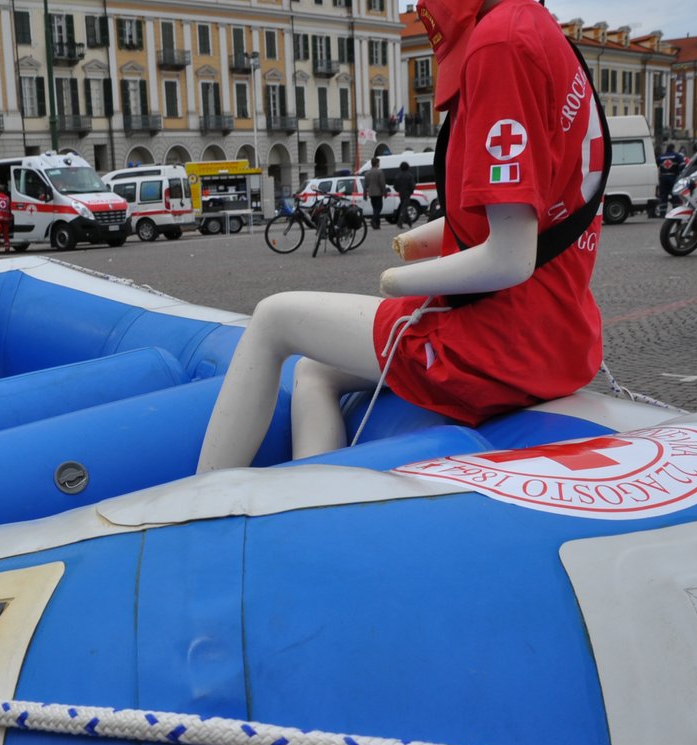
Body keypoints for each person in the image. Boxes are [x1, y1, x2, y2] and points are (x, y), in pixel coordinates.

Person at [198, 0, 605, 471]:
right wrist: (414, 243)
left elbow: (512, 256)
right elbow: (538, 214)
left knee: (272, 319)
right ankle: (312, 499)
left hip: (498, 344)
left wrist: (397, 281)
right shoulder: (539, 26)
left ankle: (200, 500)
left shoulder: (499, 42)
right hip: (560, 331)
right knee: (315, 370)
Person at [656, 142, 685, 213]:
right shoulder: (677, 156)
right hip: (673, 177)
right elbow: (683, 166)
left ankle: (662, 213)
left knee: (663, 195)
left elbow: (655, 166)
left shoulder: (661, 157)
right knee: (675, 194)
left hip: (663, 178)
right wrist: (679, 173)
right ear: (673, 148)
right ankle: (676, 211)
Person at [363, 156, 388, 229]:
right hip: (378, 193)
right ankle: (373, 220)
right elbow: (382, 183)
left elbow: (365, 185)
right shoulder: (380, 172)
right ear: (377, 163)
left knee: (375, 208)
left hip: (371, 193)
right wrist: (385, 192)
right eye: (379, 162)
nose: (379, 164)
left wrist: (365, 194)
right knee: (379, 208)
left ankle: (377, 224)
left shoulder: (367, 173)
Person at [391, 161, 417, 227]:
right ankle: (400, 222)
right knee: (404, 208)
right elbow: (412, 185)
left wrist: (399, 190)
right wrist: (411, 191)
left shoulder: (398, 176)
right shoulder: (409, 175)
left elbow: (395, 186)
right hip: (407, 193)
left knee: (404, 207)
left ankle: (409, 222)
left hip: (401, 193)